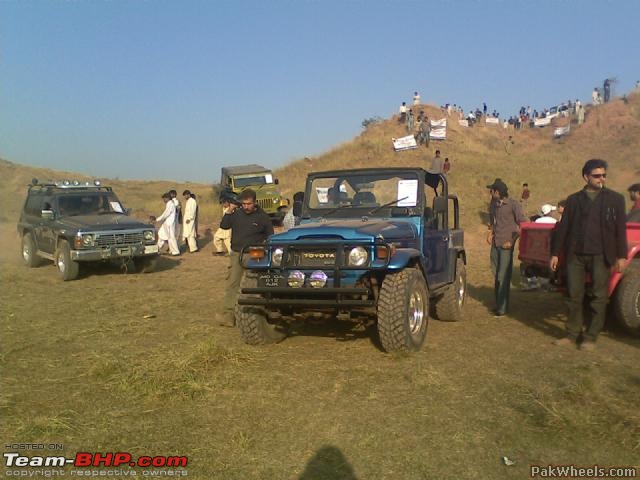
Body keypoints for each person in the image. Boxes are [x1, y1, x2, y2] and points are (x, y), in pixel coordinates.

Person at [550, 159, 628, 350]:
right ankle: (572, 333)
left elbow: (620, 230)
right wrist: (555, 254)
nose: (601, 178)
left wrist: (621, 256)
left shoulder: (615, 199)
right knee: (573, 295)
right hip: (575, 254)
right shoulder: (574, 200)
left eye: (604, 175)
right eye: (597, 175)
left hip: (601, 254)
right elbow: (564, 228)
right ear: (586, 177)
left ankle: (590, 337)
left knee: (598, 296)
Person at [218, 189, 274, 326]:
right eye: (243, 204)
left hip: (255, 254)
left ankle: (255, 313)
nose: (246, 207)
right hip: (237, 253)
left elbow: (270, 236)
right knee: (232, 283)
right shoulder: (236, 214)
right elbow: (224, 226)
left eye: (249, 204)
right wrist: (229, 211)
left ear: (255, 202)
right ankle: (228, 314)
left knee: (253, 285)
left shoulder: (263, 217)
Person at [486, 178, 527, 317]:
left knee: (503, 276)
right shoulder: (493, 204)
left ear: (497, 192)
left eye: (491, 190)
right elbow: (492, 220)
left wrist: (512, 241)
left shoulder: (513, 205)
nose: (490, 192)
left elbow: (523, 225)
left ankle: (502, 308)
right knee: (496, 274)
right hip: (495, 243)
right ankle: (499, 304)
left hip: (506, 246)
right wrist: (490, 232)